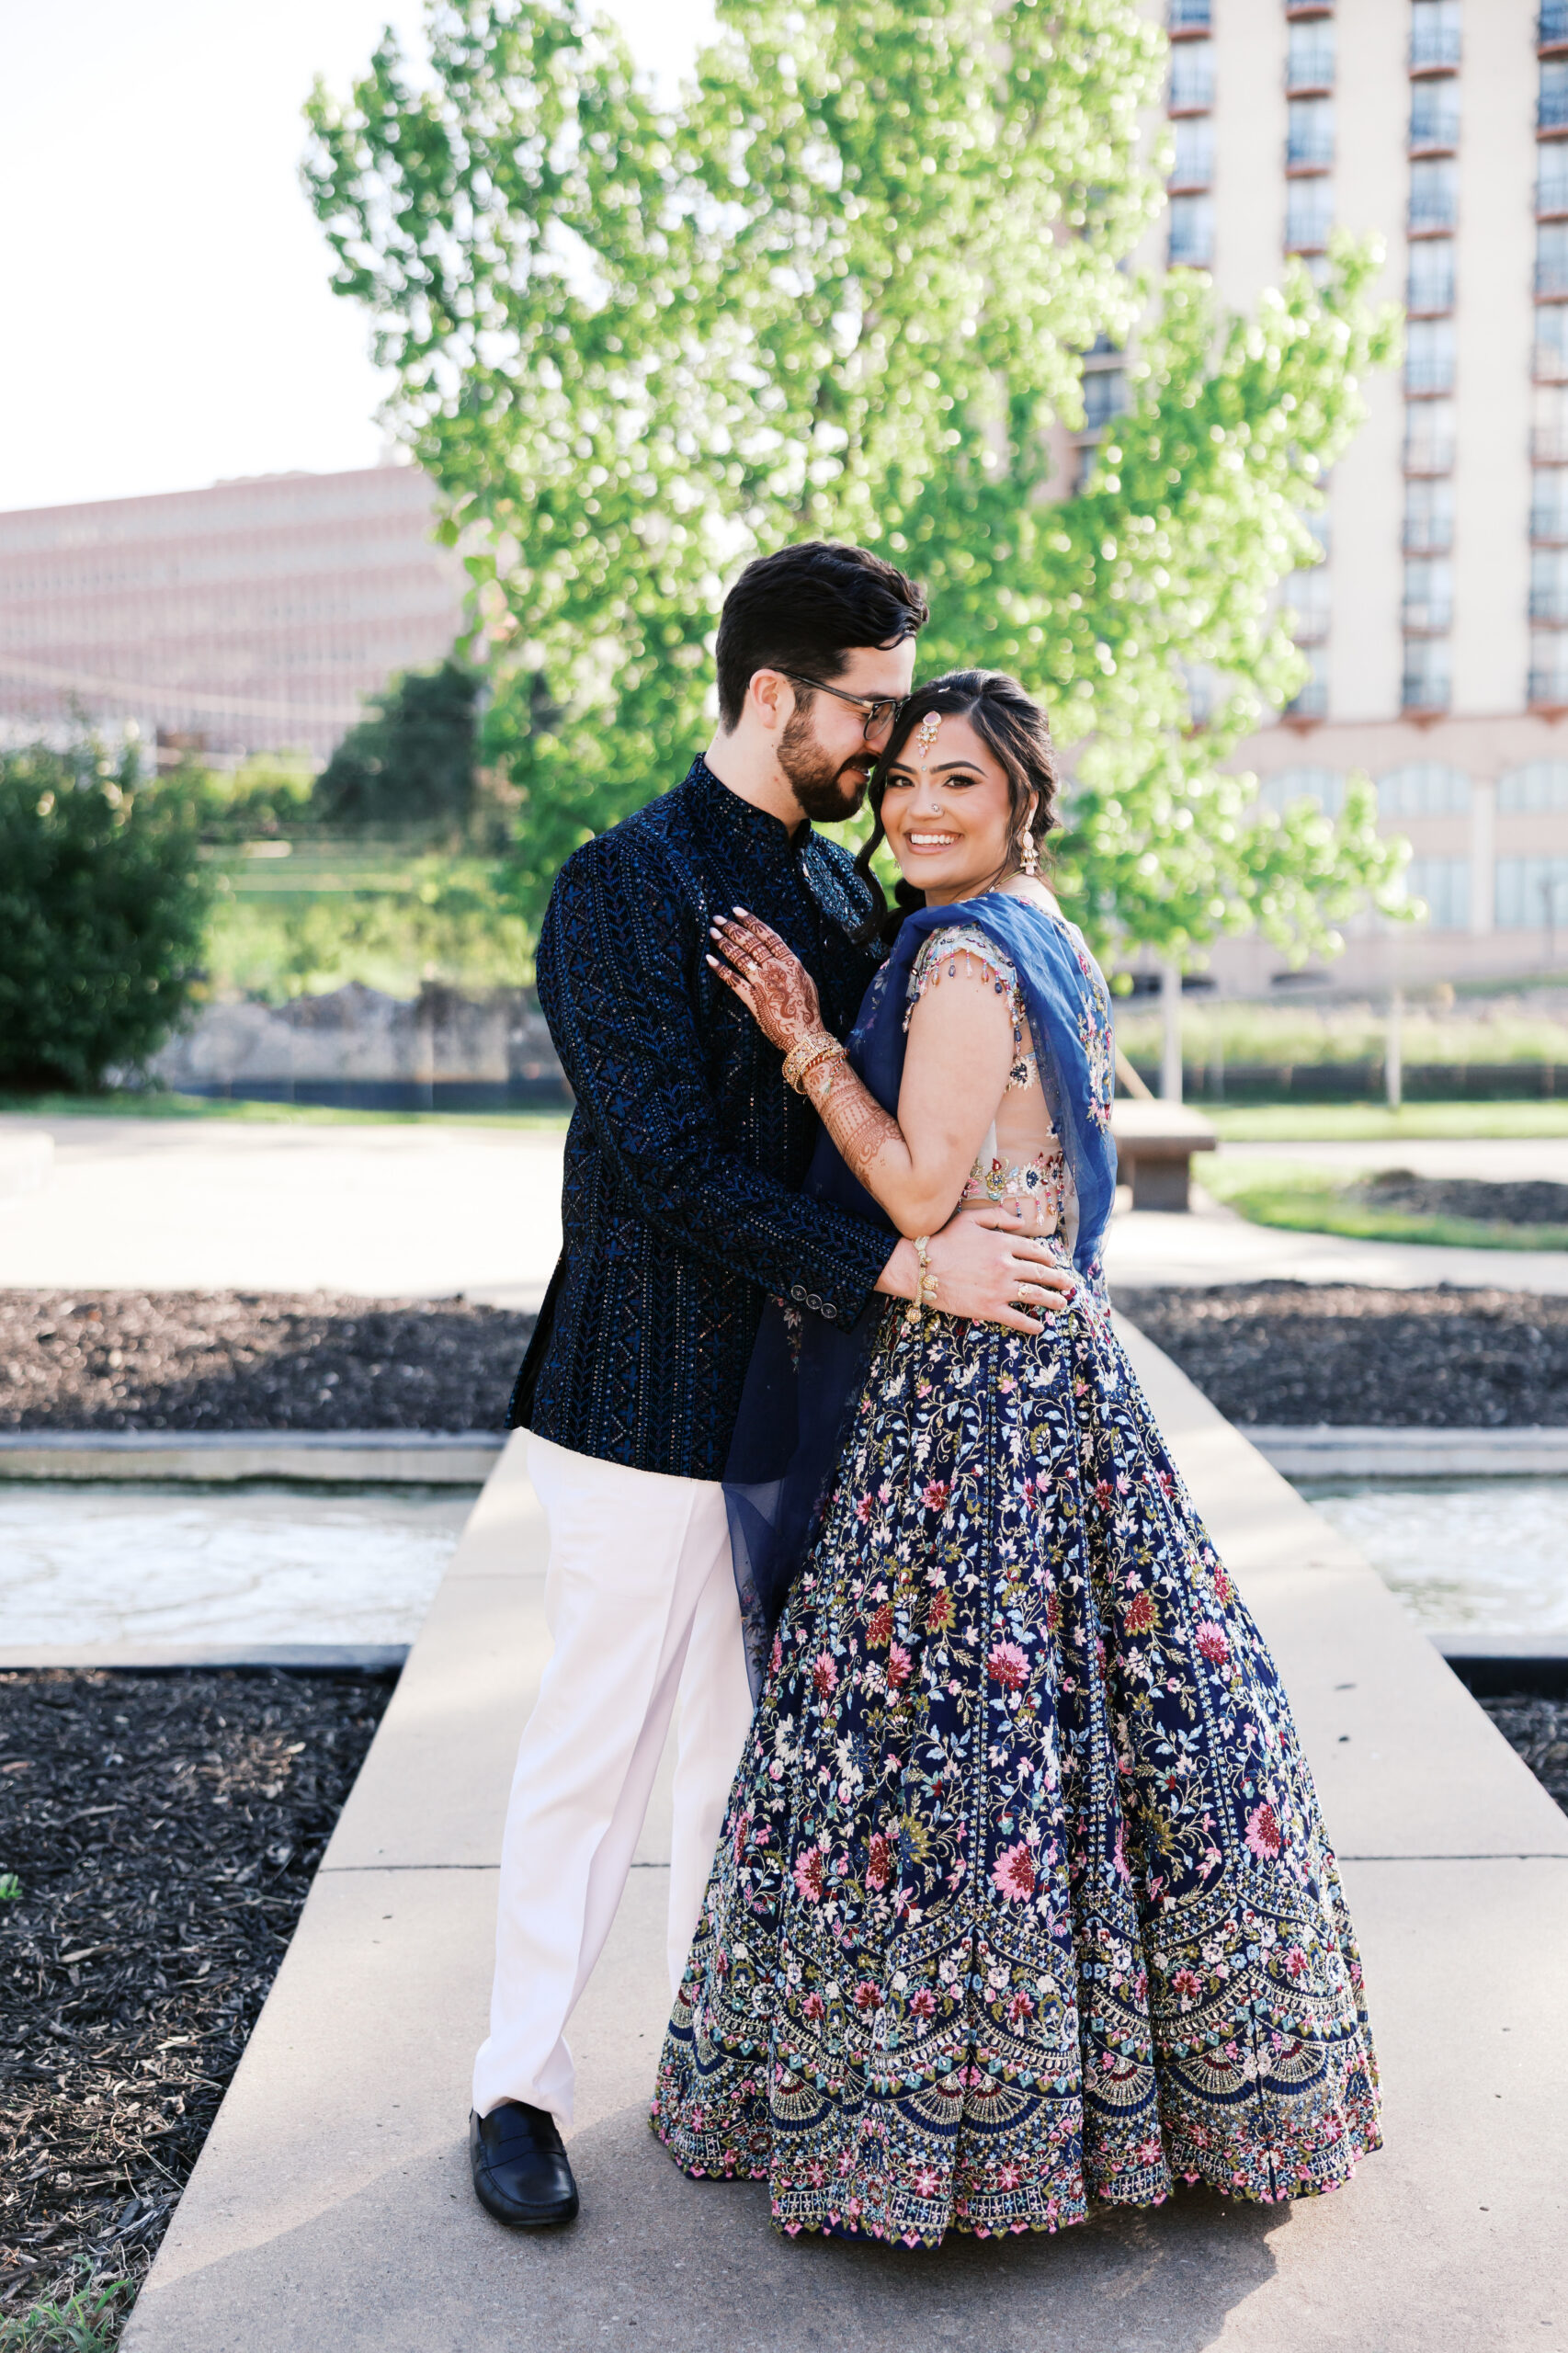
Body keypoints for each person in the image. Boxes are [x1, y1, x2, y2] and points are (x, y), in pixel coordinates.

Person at [651, 669, 1381, 2245]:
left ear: (1021, 800)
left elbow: (923, 1194)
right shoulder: (1041, 931)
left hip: (972, 1386)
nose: (917, 809)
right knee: (1096, 1716)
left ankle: (945, 2126)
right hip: (1054, 1359)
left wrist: (800, 1042)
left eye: (957, 784)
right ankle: (1167, 2095)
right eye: (902, 780)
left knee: (945, 1741)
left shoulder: (964, 956)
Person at [470, 553, 1079, 2229]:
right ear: (770, 695)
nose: (887, 749)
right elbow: (666, 1165)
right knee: (598, 1747)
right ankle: (518, 2088)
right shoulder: (619, 886)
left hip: (815, 1400)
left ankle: (714, 2071)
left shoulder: (838, 889)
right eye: (869, 711)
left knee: (748, 1760)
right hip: (642, 1394)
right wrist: (906, 1270)